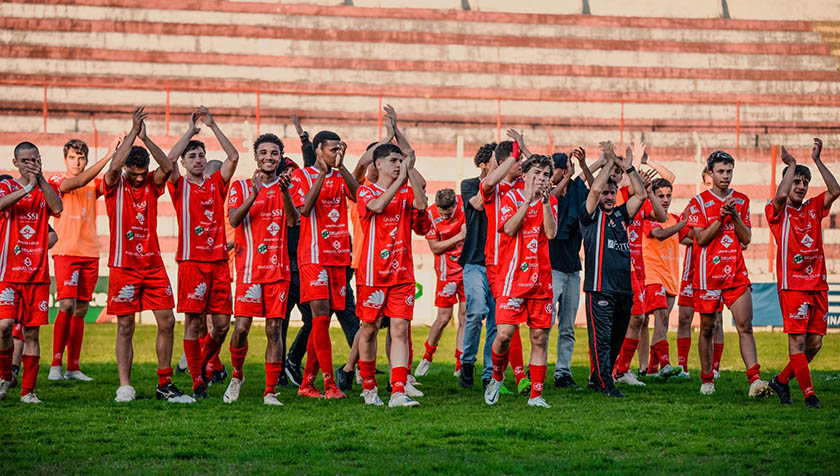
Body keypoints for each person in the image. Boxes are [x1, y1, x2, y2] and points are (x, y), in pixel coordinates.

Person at [104, 107, 193, 403]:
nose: (140, 180)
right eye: (135, 174)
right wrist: (131, 134)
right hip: (123, 265)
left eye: (143, 175)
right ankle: (125, 386)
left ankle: (164, 384)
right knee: (126, 325)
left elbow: (167, 167)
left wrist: (146, 136)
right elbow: (115, 167)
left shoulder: (153, 186)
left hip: (153, 265)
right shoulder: (115, 184)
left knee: (167, 320)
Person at [684, 150, 771, 397]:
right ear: (710, 174)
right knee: (707, 329)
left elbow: (746, 238)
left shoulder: (741, 200)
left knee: (746, 325)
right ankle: (707, 379)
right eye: (720, 171)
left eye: (729, 171)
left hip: (735, 272)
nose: (725, 176)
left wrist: (733, 216)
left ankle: (755, 380)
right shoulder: (698, 202)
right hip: (706, 274)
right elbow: (699, 239)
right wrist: (720, 218)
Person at [166, 106, 238, 398]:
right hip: (191, 263)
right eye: (192, 156)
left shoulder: (216, 184)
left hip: (219, 262)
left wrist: (213, 125)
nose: (198, 160)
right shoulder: (179, 185)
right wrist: (191, 132)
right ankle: (197, 379)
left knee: (221, 326)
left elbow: (233, 157)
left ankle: (205, 364)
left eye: (201, 156)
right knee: (194, 322)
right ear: (184, 164)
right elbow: (169, 159)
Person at [225, 133, 299, 406]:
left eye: (274, 153)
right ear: (255, 156)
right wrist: (254, 195)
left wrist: (285, 192)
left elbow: (293, 222)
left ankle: (270, 391)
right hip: (248, 271)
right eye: (264, 152)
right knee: (241, 328)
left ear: (280, 158)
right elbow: (233, 219)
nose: (269, 157)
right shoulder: (241, 186)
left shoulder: (286, 187)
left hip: (277, 271)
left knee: (274, 330)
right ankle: (236, 376)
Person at [766, 139, 838, 409]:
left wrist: (817, 161)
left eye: (804, 182)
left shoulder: (813, 208)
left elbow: (835, 190)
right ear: (786, 183)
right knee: (796, 341)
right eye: (796, 181)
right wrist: (792, 165)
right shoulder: (777, 211)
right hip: (793, 285)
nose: (801, 186)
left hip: (817, 284)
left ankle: (782, 380)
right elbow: (781, 197)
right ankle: (810, 395)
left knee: (815, 344)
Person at [355, 143, 427, 407]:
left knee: (399, 329)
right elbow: (376, 206)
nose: (399, 165)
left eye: (401, 161)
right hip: (373, 274)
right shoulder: (365, 190)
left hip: (402, 275)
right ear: (379, 165)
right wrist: (400, 182)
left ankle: (398, 390)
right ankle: (369, 386)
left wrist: (410, 177)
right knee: (369, 329)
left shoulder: (407, 192)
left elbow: (421, 206)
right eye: (394, 161)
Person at [289, 129, 359, 399]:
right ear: (318, 149)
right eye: (333, 150)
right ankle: (329, 384)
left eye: (340, 150)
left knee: (323, 322)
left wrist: (341, 168)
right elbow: (304, 209)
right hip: (313, 256)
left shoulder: (340, 174)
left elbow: (356, 196)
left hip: (339, 257)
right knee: (319, 318)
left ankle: (307, 384)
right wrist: (322, 173)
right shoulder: (301, 176)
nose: (337, 155)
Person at [484, 154, 558, 408]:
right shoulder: (511, 198)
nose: (542, 179)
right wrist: (527, 201)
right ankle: (496, 376)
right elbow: (509, 228)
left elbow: (551, 233)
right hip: (512, 278)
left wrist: (545, 204)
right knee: (504, 334)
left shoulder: (551, 201)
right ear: (525, 175)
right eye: (537, 173)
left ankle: (536, 395)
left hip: (541, 280)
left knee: (539, 337)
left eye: (546, 175)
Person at [48, 136, 122, 382]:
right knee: (67, 305)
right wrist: (108, 155)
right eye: (72, 157)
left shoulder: (94, 184)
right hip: (65, 251)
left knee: (80, 309)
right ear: (65, 159)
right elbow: (78, 181)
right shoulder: (57, 180)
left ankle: (73, 367)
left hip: (89, 252)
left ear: (86, 159)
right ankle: (55, 364)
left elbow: (111, 177)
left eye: (81, 158)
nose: (77, 162)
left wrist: (119, 152)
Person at [580, 141, 647, 398]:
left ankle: (598, 378)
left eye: (612, 193)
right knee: (602, 339)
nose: (608, 197)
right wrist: (609, 161)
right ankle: (607, 384)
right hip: (599, 287)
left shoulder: (621, 215)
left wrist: (629, 169)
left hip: (623, 288)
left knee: (617, 339)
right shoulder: (590, 215)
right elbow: (594, 189)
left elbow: (640, 196)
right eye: (605, 193)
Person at [0, 142, 63, 403]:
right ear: (15, 163)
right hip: (8, 273)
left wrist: (40, 182)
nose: (30, 164)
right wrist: (26, 187)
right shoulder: (7, 186)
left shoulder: (47, 187)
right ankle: (5, 376)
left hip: (37, 274)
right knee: (4, 327)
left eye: (34, 159)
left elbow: (57, 208)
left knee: (32, 334)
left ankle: (28, 391)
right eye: (25, 160)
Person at [611, 143, 668, 387]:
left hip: (638, 268)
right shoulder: (617, 197)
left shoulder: (640, 198)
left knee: (639, 319)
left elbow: (662, 217)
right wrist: (633, 177)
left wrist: (649, 190)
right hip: (618, 266)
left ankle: (621, 370)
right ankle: (613, 370)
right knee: (625, 319)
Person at [479, 130, 530, 395]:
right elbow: (488, 182)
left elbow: (540, 170)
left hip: (524, 262)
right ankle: (517, 375)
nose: (520, 164)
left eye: (520, 160)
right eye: (516, 160)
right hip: (499, 264)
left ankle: (511, 375)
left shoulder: (525, 185)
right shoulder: (494, 186)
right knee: (507, 322)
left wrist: (524, 149)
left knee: (516, 323)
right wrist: (511, 157)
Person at [547, 149, 590, 389]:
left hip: (573, 268)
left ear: (564, 169)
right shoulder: (547, 191)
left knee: (567, 326)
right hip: (551, 268)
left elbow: (592, 192)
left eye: (554, 168)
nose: (549, 173)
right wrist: (567, 178)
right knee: (544, 324)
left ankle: (563, 372)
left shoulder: (576, 190)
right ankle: (537, 369)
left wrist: (584, 166)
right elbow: (551, 198)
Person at [457, 143, 498, 389]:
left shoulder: (505, 188)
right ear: (483, 164)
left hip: (498, 263)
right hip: (473, 261)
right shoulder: (469, 184)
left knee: (495, 320)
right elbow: (478, 203)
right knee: (475, 312)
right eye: (494, 160)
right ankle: (468, 361)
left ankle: (489, 372)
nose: (499, 165)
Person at [415, 188, 466, 378]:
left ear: (455, 205)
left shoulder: (464, 205)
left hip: (467, 268)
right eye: (442, 213)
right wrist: (459, 237)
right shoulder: (430, 214)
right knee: (443, 318)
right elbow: (435, 247)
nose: (445, 217)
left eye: (449, 213)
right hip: (447, 272)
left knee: (465, 315)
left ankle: (460, 364)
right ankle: (427, 356)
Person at [640, 178, 686, 378]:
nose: (665, 200)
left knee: (662, 323)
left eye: (668, 195)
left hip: (670, 276)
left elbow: (690, 238)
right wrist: (683, 224)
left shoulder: (674, 218)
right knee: (662, 317)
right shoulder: (649, 218)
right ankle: (665, 364)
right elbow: (659, 235)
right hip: (653, 274)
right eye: (660, 196)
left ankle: (651, 369)